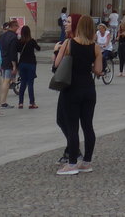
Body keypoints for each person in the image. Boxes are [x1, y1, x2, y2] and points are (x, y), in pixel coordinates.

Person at [53, 13, 103, 175]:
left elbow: (57, 64)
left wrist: (56, 51)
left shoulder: (69, 43)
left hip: (71, 89)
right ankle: (86, 162)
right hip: (89, 89)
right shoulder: (95, 47)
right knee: (88, 126)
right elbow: (98, 70)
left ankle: (72, 163)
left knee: (72, 126)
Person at [16, 24, 41, 109]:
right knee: (30, 84)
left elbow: (18, 50)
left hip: (22, 64)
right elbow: (38, 48)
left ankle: (20, 103)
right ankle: (31, 103)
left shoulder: (20, 41)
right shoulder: (32, 41)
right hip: (31, 64)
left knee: (23, 83)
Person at [0, 20, 19, 109]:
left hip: (3, 60)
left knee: (4, 80)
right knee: (7, 81)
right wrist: (14, 65)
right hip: (9, 61)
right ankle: (3, 102)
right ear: (13, 26)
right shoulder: (13, 37)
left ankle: (0, 101)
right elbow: (13, 52)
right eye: (17, 26)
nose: (18, 28)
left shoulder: (2, 36)